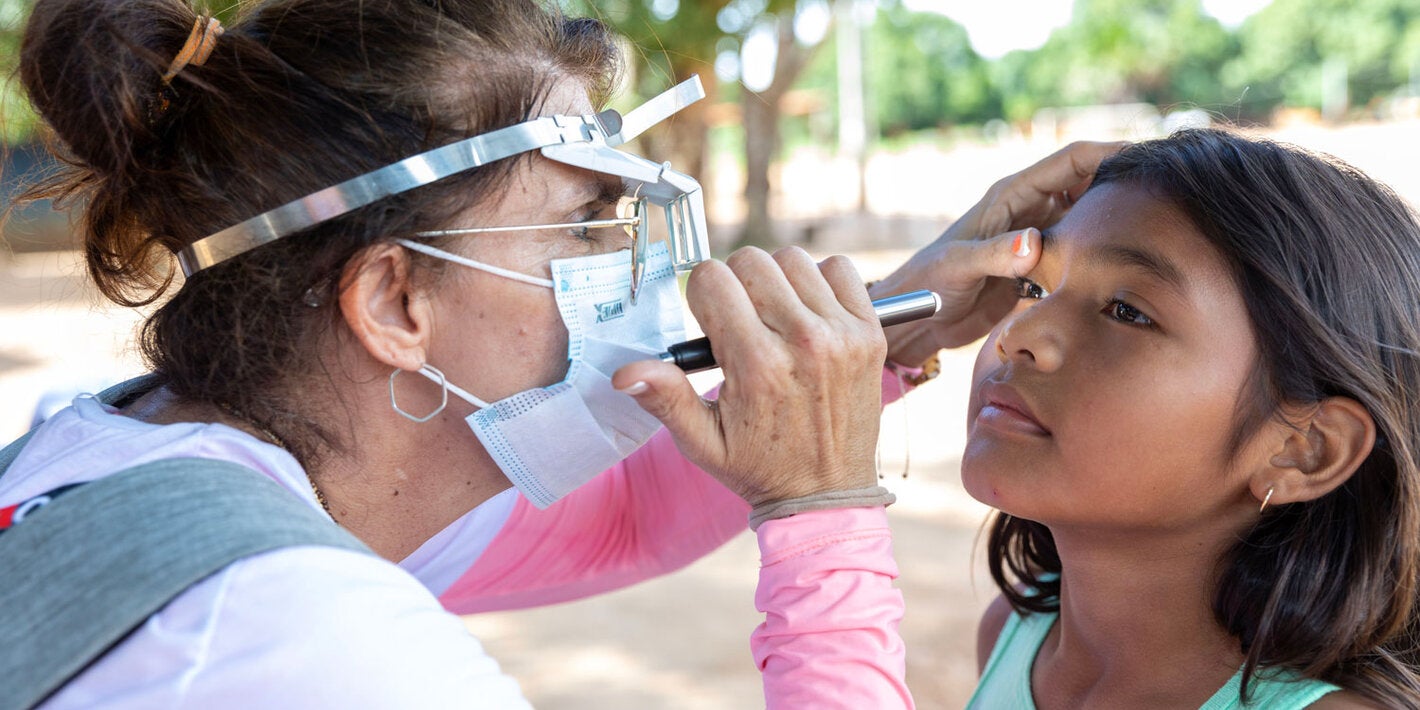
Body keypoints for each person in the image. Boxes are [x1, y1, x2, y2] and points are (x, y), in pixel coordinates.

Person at [3, 0, 1117, 707]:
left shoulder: (139, 456)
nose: (634, 270)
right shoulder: (308, 646)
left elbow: (626, 519)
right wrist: (823, 509)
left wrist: (886, 330)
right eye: (585, 225)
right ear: (397, 299)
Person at [965, 128, 1420, 709]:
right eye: (1033, 286)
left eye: (1127, 311)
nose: (1018, 335)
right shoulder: (1013, 633)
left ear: (1303, 448)